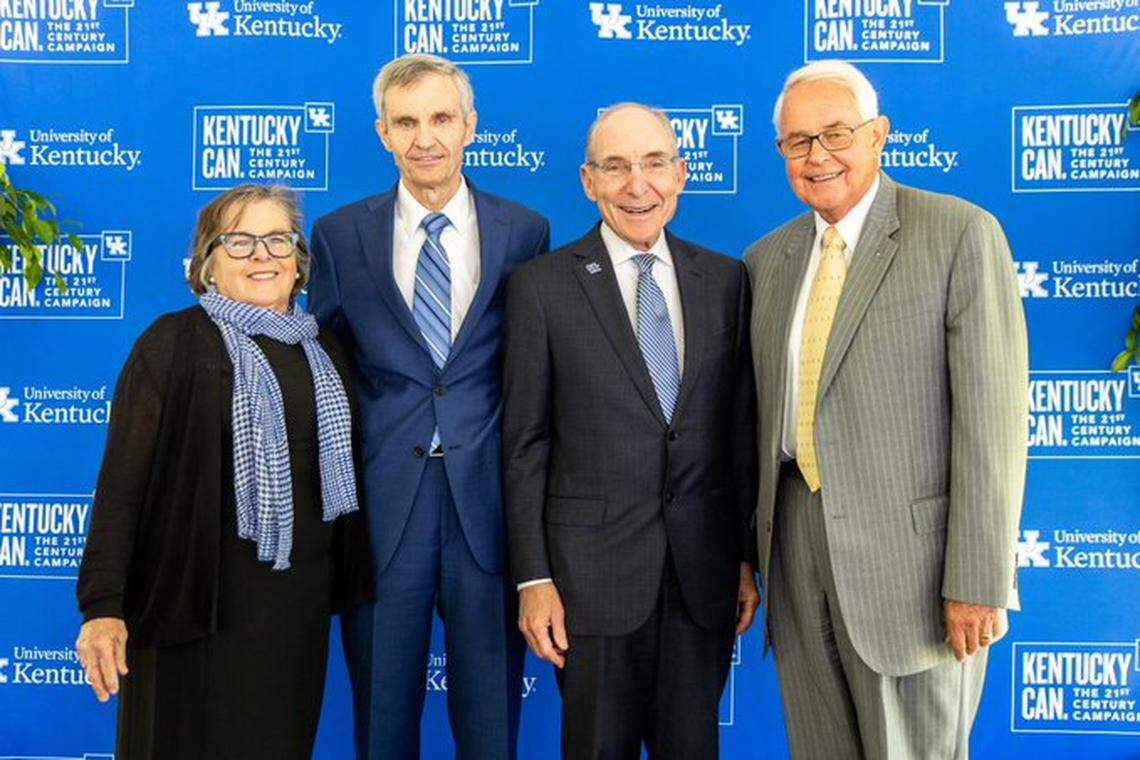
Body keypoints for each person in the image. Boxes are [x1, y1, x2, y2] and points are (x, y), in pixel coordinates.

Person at [744, 61, 1028, 759]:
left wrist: (978, 579)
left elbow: (993, 425)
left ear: (879, 136)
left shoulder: (958, 232)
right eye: (797, 142)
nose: (818, 156)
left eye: (836, 134)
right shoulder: (764, 260)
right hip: (794, 547)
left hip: (918, 573)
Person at [307, 53, 550, 760]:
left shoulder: (525, 232)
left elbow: (534, 368)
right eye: (406, 122)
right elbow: (326, 371)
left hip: (489, 511)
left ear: (470, 126)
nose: (425, 138)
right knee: (382, 722)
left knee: (490, 725)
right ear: (382, 132)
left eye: (441, 118)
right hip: (384, 511)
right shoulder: (340, 235)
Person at [74, 184, 372, 759]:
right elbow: (121, 487)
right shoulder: (171, 343)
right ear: (208, 262)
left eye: (277, 240)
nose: (261, 255)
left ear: (299, 262)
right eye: (239, 241)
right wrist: (102, 607)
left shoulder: (328, 350)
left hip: (293, 610)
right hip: (190, 610)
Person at [502, 102, 760, 760]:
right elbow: (525, 446)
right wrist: (533, 579)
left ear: (680, 174)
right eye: (615, 167)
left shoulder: (728, 281)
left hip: (702, 582)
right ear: (589, 181)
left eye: (653, 164)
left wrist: (744, 560)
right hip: (588, 586)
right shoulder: (541, 287)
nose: (636, 185)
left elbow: (737, 435)